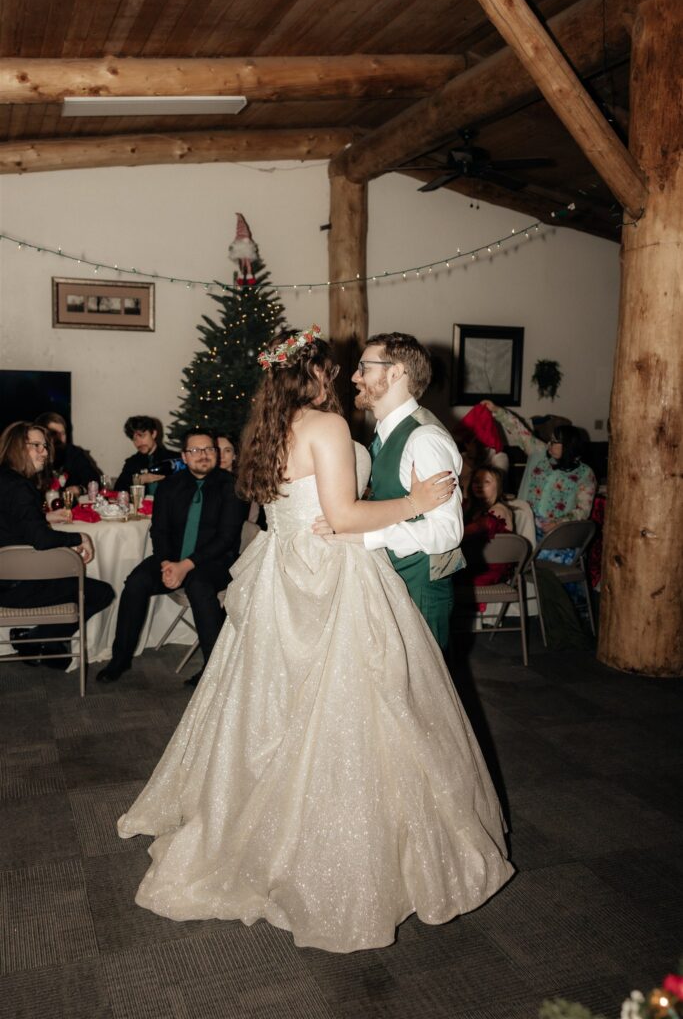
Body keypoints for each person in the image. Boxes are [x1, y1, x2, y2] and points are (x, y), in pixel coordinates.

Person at [117, 326, 513, 954]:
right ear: (317, 374)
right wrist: (414, 501)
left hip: (282, 574)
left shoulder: (267, 430)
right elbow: (346, 517)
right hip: (329, 574)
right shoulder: (325, 427)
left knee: (278, 702)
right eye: (337, 369)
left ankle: (256, 823)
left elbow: (299, 512)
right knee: (351, 707)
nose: (346, 377)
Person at [336, 333, 465, 651]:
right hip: (387, 585)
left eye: (364, 367)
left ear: (395, 373)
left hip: (418, 592)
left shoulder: (424, 439)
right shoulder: (381, 436)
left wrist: (369, 538)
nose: (355, 376)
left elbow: (448, 532)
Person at [98, 429, 247, 687]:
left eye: (209, 449)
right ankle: (120, 659)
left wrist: (185, 566)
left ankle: (214, 671)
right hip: (172, 557)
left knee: (199, 585)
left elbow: (225, 539)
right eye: (195, 451)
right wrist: (167, 563)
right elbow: (160, 531)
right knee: (136, 583)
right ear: (184, 456)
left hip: (215, 562)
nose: (203, 455)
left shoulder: (232, 487)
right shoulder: (169, 486)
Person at [0, 421, 114, 668]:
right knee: (101, 592)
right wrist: (79, 538)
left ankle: (38, 640)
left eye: (45, 446)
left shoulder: (5, 480)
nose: (45, 452)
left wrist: (43, 518)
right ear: (18, 447)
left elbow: (11, 523)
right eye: (37, 446)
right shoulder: (20, 487)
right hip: (14, 587)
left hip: (6, 580)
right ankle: (36, 638)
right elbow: (42, 540)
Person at [480, 401, 596, 537]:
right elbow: (518, 430)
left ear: (568, 446)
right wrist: (496, 410)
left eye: (554, 442)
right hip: (523, 523)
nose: (549, 444)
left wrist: (559, 523)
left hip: (556, 531)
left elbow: (583, 510)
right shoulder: (539, 452)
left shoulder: (585, 473)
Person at [457, 466, 513, 604]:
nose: (479, 485)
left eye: (486, 482)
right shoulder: (475, 508)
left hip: (490, 569)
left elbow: (472, 530)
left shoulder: (498, 510)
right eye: (476, 481)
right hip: (476, 564)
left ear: (498, 486)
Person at [34, 411, 100, 498]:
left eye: (63, 433)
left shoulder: (74, 453)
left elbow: (94, 480)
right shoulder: (34, 456)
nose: (60, 438)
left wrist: (80, 489)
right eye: (54, 434)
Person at [114, 415, 180, 496]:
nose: (139, 442)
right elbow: (118, 490)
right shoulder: (132, 462)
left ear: (154, 434)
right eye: (134, 439)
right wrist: (139, 480)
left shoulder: (173, 458)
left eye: (142, 436)